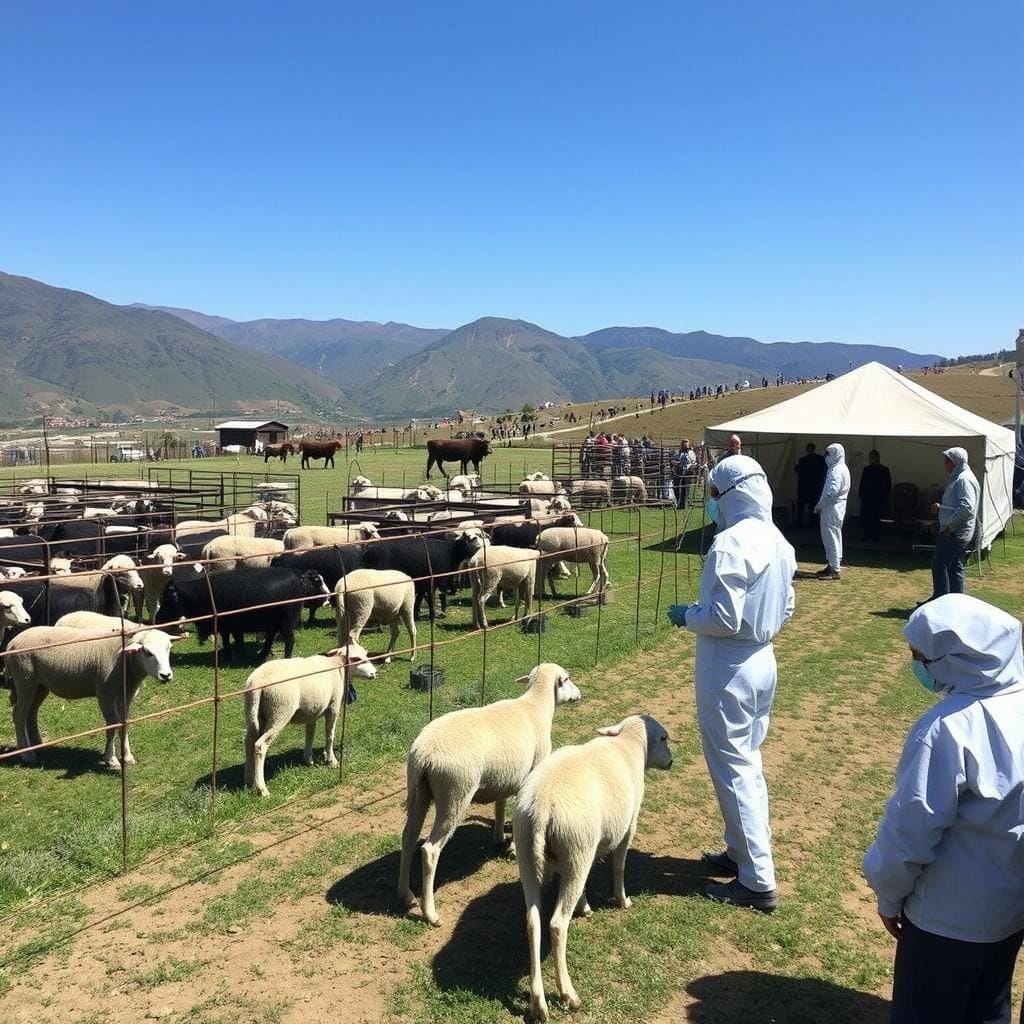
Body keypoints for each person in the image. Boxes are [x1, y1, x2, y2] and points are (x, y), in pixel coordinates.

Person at [863, 595, 1024, 1024]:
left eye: (922, 658)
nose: (918, 666)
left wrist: (889, 892)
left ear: (957, 659)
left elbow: (910, 830)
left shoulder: (947, 728)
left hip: (946, 918)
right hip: (1010, 908)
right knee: (989, 1006)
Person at [666, 456, 796, 911]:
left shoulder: (730, 544)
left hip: (729, 667)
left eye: (713, 495)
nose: (711, 504)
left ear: (727, 494)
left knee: (735, 765)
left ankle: (758, 880)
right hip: (762, 658)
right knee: (746, 759)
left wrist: (689, 616)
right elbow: (788, 606)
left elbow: (723, 617)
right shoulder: (778, 542)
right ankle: (740, 852)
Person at [923, 448, 980, 602]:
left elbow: (967, 508)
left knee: (939, 564)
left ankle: (939, 601)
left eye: (947, 460)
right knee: (955, 566)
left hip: (955, 532)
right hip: (959, 531)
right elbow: (958, 506)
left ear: (955, 462)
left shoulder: (963, 480)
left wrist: (949, 525)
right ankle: (957, 602)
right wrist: (942, 509)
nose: (944, 464)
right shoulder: (960, 478)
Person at [814, 443, 850, 580]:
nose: (826, 457)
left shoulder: (836, 470)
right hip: (837, 506)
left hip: (832, 507)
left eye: (828, 454)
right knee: (835, 535)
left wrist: (819, 505)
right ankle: (833, 564)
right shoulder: (842, 468)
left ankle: (834, 568)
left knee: (830, 536)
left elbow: (831, 491)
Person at [858, 449, 892, 542]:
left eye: (872, 457)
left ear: (877, 458)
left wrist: (887, 497)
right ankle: (866, 534)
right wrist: (861, 494)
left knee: (876, 517)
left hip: (879, 498)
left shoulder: (884, 470)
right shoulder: (867, 469)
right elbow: (863, 482)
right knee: (865, 517)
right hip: (867, 497)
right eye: (870, 457)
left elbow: (888, 484)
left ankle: (875, 535)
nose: (870, 459)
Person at [793, 443, 827, 527]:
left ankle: (800, 523)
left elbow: (797, 470)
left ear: (807, 450)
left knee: (801, 506)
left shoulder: (802, 460)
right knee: (813, 506)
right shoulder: (820, 460)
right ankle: (813, 523)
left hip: (804, 487)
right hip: (815, 487)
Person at [671, 438, 697, 509]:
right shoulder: (678, 453)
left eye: (686, 442)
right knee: (676, 489)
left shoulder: (691, 453)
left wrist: (690, 468)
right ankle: (679, 504)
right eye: (684, 442)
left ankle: (684, 505)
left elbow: (693, 463)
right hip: (678, 473)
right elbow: (673, 460)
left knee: (685, 490)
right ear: (681, 444)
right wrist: (676, 464)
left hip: (687, 473)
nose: (685, 444)